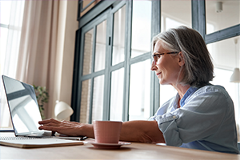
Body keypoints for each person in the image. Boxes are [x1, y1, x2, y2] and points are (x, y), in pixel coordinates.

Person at [39, 26, 239, 154]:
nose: (153, 67)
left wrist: (81, 128)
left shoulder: (214, 98)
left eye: (157, 57)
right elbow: (142, 132)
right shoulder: (170, 105)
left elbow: (152, 132)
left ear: (181, 58)